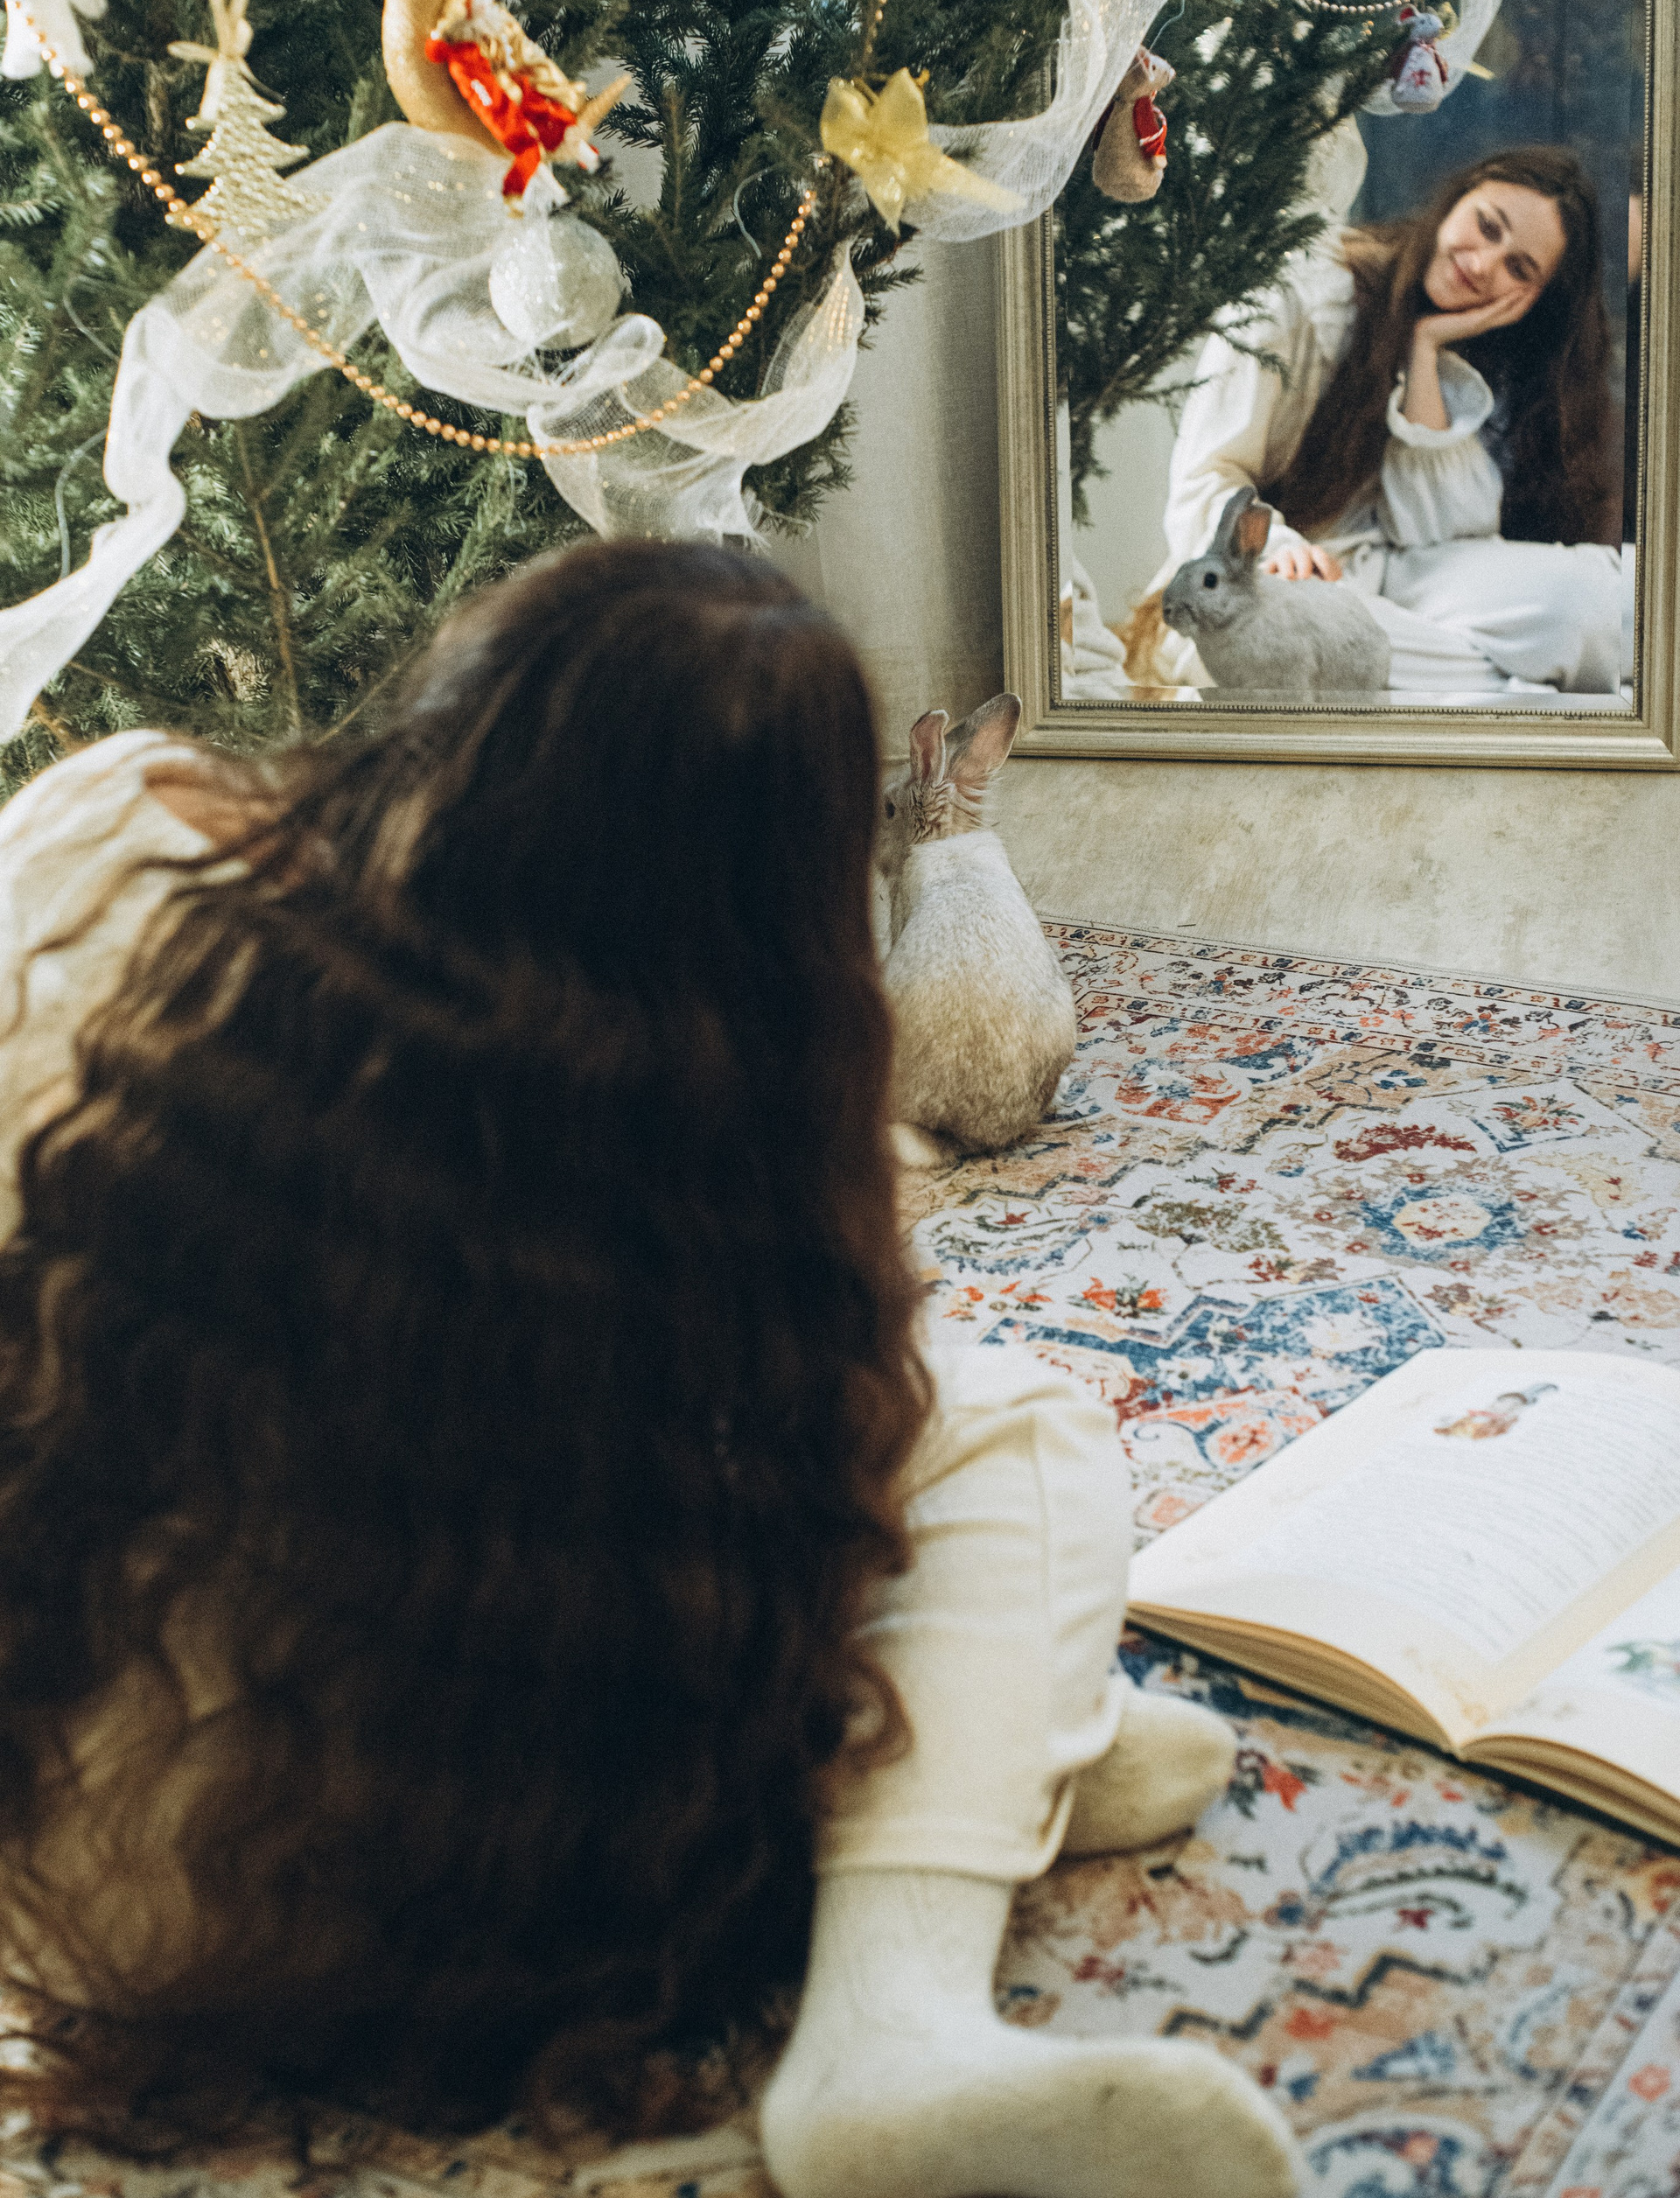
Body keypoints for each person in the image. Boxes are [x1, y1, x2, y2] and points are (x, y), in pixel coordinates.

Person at [0, 541, 1297, 2198]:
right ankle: (903, 2006)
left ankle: (994, 1751)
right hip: (427, 1885)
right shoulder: (715, 1182)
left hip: (70, 1827)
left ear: (460, 704)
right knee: (999, 1424)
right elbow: (807, 1488)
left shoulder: (116, 837)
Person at [1152, 144, 1626, 697]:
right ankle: (1505, 687)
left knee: (1598, 602)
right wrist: (1277, 549)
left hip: (1399, 579)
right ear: (1456, 200)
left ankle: (1483, 684)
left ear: (1533, 298)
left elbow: (1439, 537)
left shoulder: (1462, 342)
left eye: (1518, 269)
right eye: (1486, 226)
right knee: (1302, 649)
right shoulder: (1300, 293)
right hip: (1273, 594)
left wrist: (1424, 351)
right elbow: (1204, 478)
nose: (1482, 266)